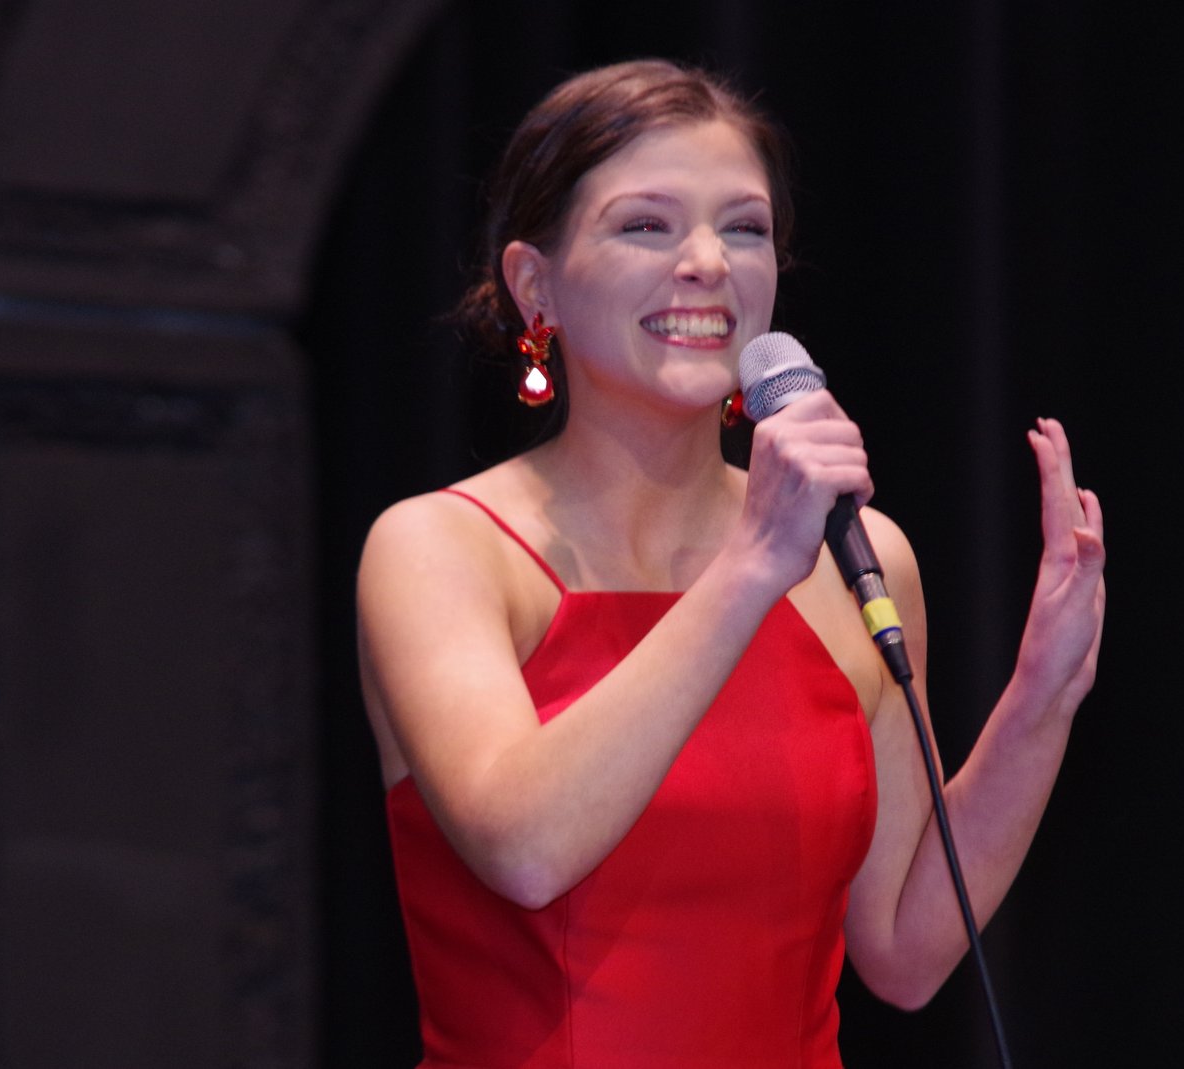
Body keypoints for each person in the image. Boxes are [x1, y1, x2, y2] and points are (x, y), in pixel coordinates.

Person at [357, 58, 1106, 1068]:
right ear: (536, 284)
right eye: (646, 225)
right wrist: (752, 566)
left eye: (744, 229)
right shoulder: (441, 547)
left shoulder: (859, 556)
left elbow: (904, 947)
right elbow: (525, 847)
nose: (708, 262)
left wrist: (1041, 697)